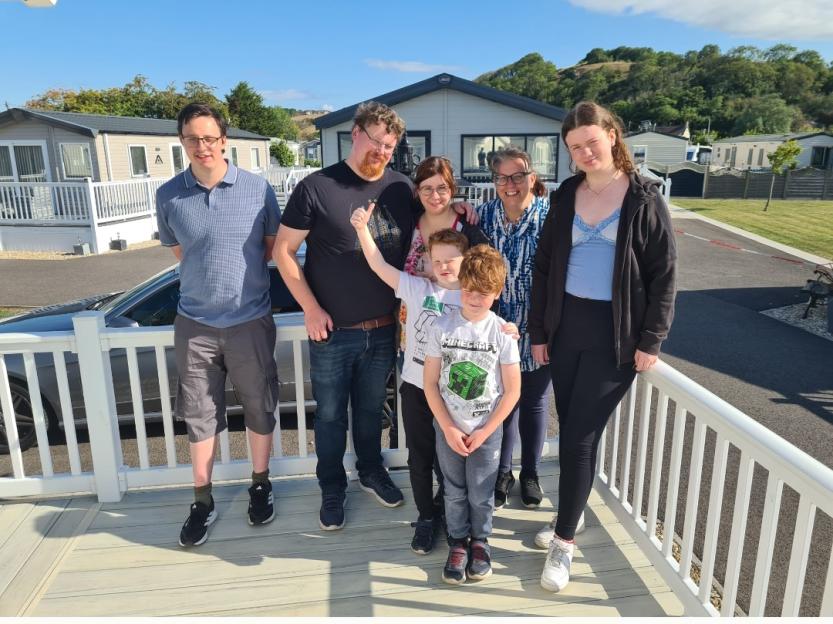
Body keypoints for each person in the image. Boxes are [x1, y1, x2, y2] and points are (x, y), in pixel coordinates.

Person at [529, 101, 677, 592]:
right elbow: (545, 266)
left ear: (612, 136)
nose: (585, 152)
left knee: (578, 439)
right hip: (566, 325)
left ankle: (563, 541)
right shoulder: (566, 195)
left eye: (592, 141)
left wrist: (651, 339)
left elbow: (663, 278)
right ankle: (571, 515)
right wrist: (539, 332)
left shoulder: (644, 199)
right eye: (575, 147)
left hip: (615, 336)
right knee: (570, 429)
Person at [273, 101, 414, 531]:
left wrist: (462, 210)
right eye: (376, 141)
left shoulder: (401, 189)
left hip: (385, 327)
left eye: (390, 146)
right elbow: (282, 251)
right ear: (355, 134)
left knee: (372, 410)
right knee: (331, 415)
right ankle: (332, 487)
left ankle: (370, 471)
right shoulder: (318, 186)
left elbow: (433, 226)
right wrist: (311, 308)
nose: (383, 152)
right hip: (332, 331)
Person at [155, 103, 281, 547]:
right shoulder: (169, 195)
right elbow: (181, 255)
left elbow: (268, 249)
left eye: (210, 138)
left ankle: (261, 484)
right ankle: (202, 500)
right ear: (182, 142)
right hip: (195, 325)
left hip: (250, 320)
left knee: (259, 406)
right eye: (193, 138)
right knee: (199, 415)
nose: (202, 146)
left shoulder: (257, 189)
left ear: (224, 140)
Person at [351, 200, 467, 554]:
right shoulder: (416, 289)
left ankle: (452, 514)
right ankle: (426, 517)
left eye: (452, 259)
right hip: (417, 385)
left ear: (465, 261)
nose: (444, 266)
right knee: (420, 456)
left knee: (454, 459)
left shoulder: (472, 297)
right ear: (428, 261)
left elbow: (493, 326)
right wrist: (361, 229)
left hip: (456, 392)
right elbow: (377, 264)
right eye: (438, 259)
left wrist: (507, 329)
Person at [424, 245, 522, 585]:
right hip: (448, 427)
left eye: (484, 293)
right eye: (468, 290)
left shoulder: (502, 334)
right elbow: (431, 384)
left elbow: (512, 391)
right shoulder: (442, 327)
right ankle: (458, 541)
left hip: (486, 429)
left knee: (481, 491)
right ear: (460, 286)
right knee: (453, 489)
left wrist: (485, 431)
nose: (474, 298)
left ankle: (480, 541)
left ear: (496, 294)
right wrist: (448, 427)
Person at [476, 147, 553, 511]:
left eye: (517, 176)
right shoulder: (485, 217)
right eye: (502, 178)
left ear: (531, 178)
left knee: (534, 403)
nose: (510, 184)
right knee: (502, 404)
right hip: (496, 332)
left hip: (538, 332)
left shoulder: (551, 218)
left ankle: (531, 473)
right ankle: (503, 472)